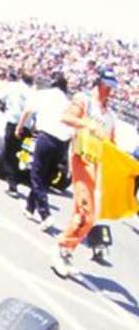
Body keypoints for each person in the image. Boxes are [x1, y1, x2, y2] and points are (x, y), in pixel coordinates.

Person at [53, 68, 118, 277]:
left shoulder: (110, 115)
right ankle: (61, 249)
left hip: (97, 163)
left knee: (86, 214)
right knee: (85, 213)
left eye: (111, 87)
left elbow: (111, 143)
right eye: (106, 86)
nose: (109, 91)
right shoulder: (85, 100)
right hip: (81, 158)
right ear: (98, 83)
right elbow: (66, 117)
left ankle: (67, 251)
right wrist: (87, 124)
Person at [16, 72, 71, 226]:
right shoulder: (68, 102)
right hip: (62, 143)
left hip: (46, 137)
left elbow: (27, 110)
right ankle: (29, 206)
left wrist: (20, 127)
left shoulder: (45, 95)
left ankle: (45, 214)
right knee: (46, 177)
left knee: (36, 174)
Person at [1, 69, 33, 196]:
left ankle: (12, 185)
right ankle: (21, 178)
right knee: (23, 153)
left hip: (14, 123)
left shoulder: (12, 86)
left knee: (10, 153)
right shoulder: (32, 93)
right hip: (27, 127)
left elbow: (0, 98)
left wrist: (4, 109)